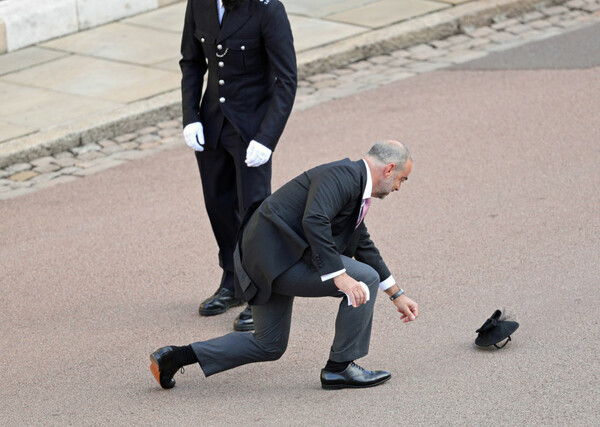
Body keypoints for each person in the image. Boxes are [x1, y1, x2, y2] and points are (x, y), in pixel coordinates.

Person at [150, 140, 419, 390]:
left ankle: (175, 357)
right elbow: (315, 220)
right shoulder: (341, 176)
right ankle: (340, 367)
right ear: (389, 169)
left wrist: (397, 294)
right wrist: (340, 276)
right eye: (402, 180)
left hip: (269, 261)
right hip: (276, 260)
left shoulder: (353, 184)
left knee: (268, 345)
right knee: (364, 279)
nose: (399, 187)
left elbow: (363, 244)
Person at [180, 0, 297, 330]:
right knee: (218, 205)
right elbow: (191, 63)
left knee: (255, 214)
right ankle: (232, 282)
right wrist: (191, 117)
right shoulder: (199, 3)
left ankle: (260, 292)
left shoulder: (267, 8)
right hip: (212, 125)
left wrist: (267, 138)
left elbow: (286, 79)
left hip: (252, 129)